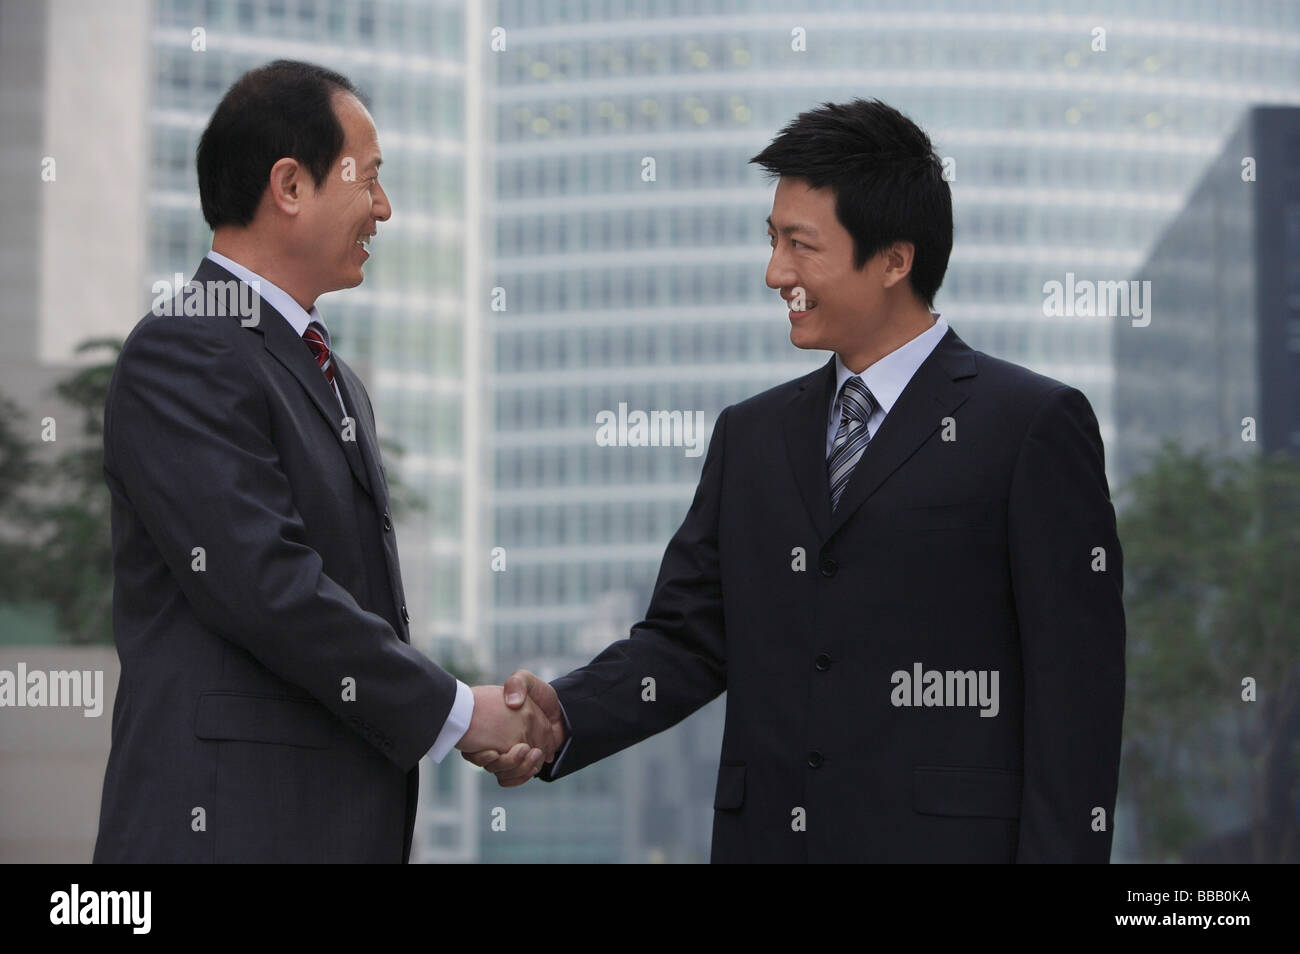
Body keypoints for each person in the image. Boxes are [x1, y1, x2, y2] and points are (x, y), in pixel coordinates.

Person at [469, 99, 1126, 863]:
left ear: (894, 259)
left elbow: (1076, 700)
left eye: (800, 245)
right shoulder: (750, 436)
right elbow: (686, 640)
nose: (775, 271)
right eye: (772, 241)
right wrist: (561, 718)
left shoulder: (1032, 426)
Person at [92, 60, 556, 863]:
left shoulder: (333, 379)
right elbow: (266, 587)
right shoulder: (186, 349)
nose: (384, 208)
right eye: (369, 179)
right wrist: (458, 712)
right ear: (291, 185)